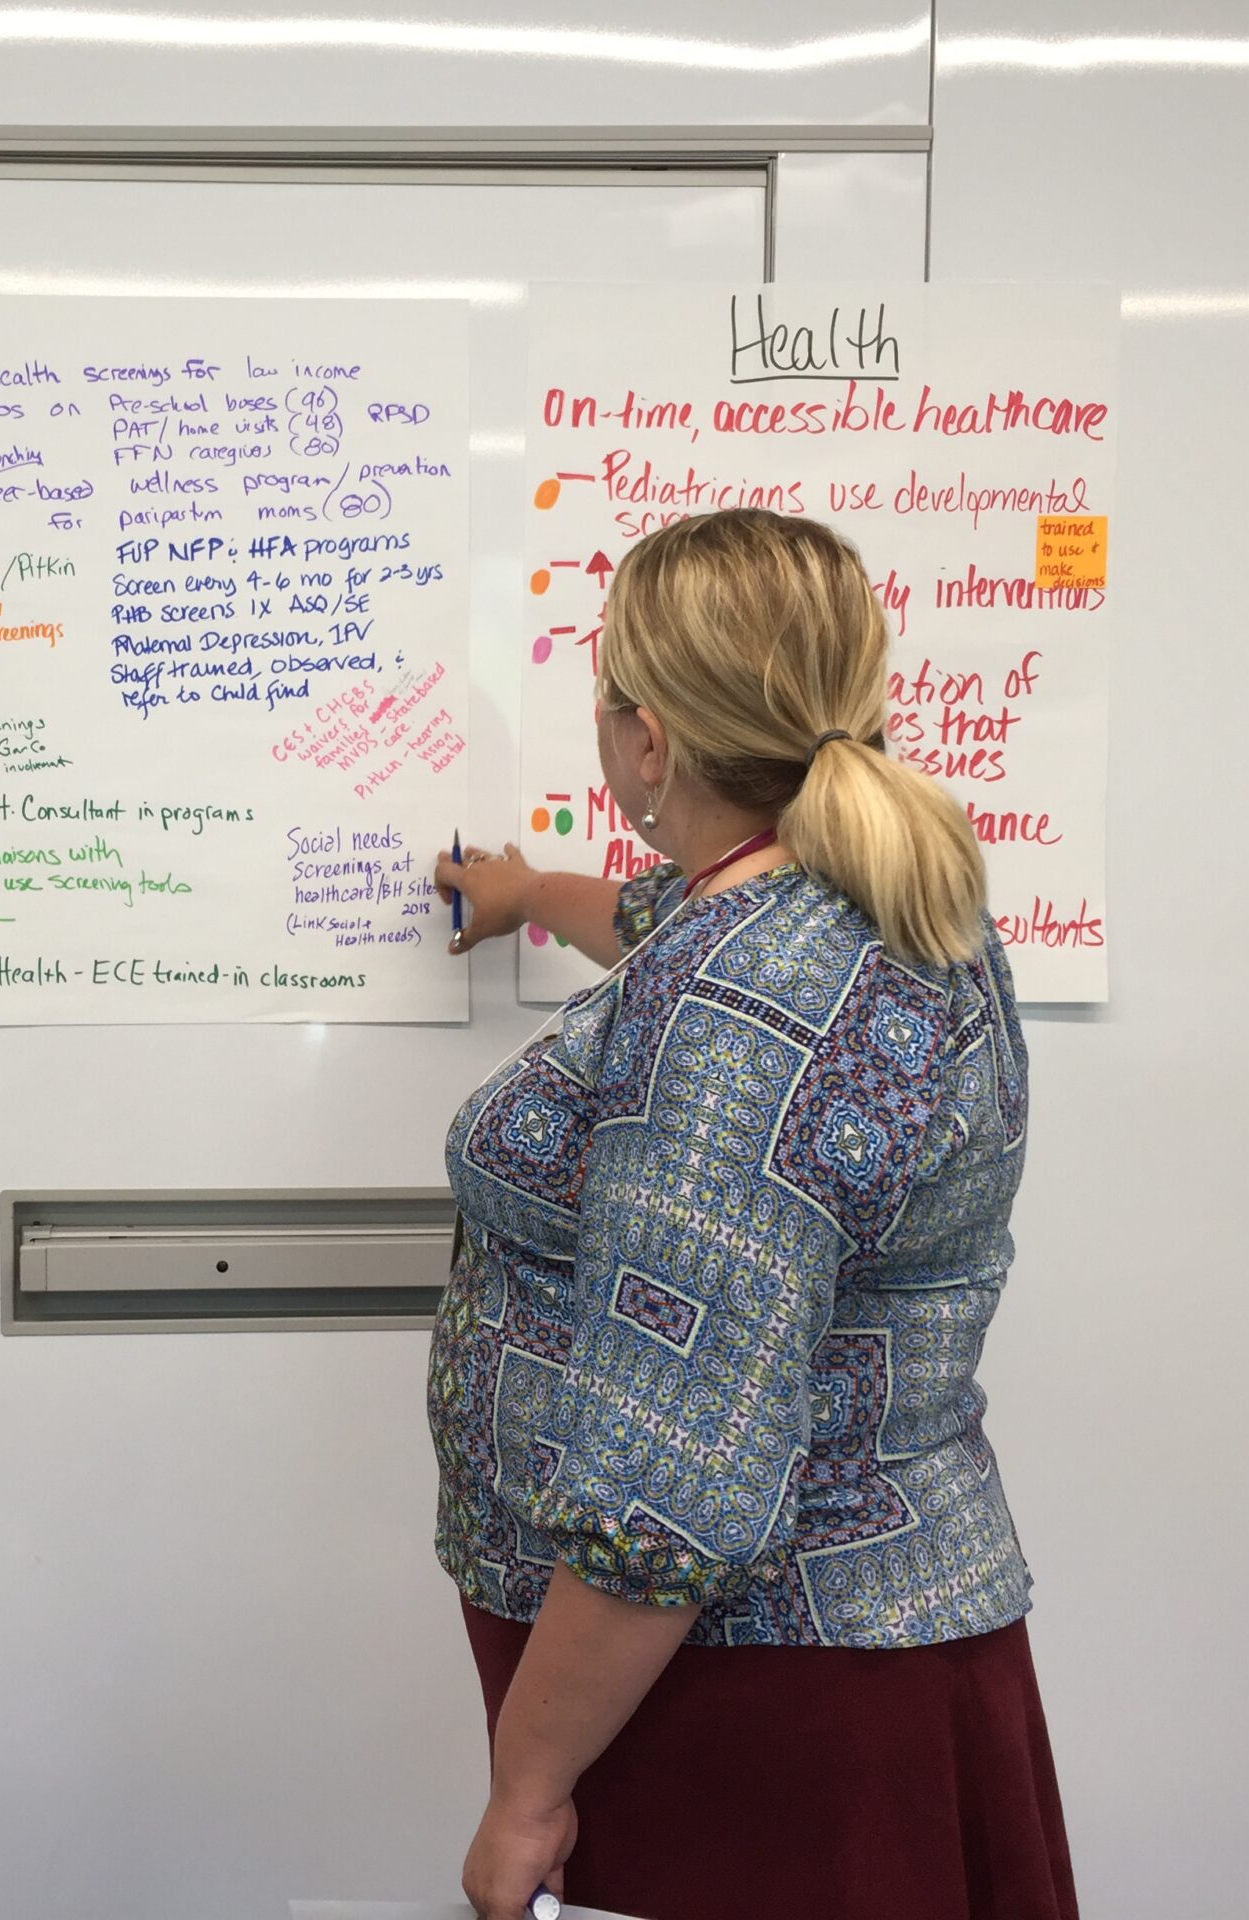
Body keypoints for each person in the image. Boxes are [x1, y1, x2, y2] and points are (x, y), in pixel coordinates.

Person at [430, 510, 1076, 1920]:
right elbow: (669, 918)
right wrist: (531, 893)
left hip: (750, 1694)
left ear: (647, 740)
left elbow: (672, 1480)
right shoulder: (866, 902)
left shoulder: (735, 1012)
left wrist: (525, 1794)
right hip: (865, 1649)